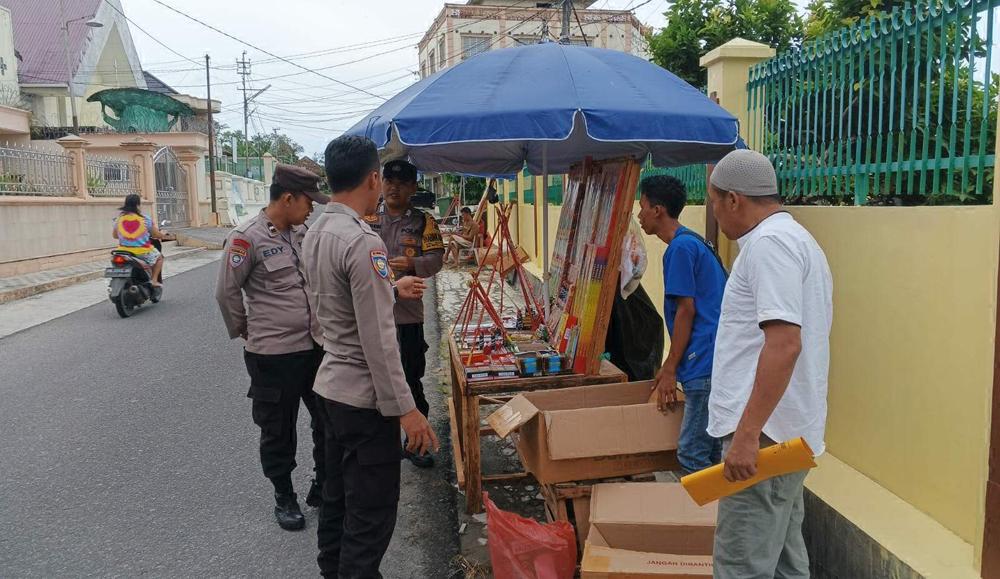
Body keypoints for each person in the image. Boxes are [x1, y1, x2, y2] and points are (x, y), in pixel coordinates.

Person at [302, 135, 439, 578]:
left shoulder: (316, 231)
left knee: (337, 499)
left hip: (330, 387)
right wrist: (408, 410)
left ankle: (333, 571)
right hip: (364, 401)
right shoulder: (363, 241)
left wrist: (388, 289)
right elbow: (380, 341)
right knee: (372, 512)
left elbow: (327, 312)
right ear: (374, 178)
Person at [706, 149, 833, 579]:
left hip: (763, 436)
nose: (716, 214)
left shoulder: (768, 246)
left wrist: (745, 436)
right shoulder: (797, 240)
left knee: (741, 563)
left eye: (713, 202)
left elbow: (784, 346)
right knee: (783, 558)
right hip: (783, 434)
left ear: (734, 200)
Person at [215, 164, 331, 531]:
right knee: (278, 430)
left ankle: (322, 484)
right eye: (308, 202)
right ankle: (284, 494)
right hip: (272, 356)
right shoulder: (245, 238)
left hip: (314, 347)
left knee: (327, 420)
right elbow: (227, 292)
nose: (312, 209)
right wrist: (248, 332)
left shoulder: (302, 232)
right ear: (287, 198)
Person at [637, 175, 728, 474]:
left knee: (691, 454)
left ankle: (697, 519)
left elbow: (686, 310)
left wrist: (671, 366)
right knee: (710, 452)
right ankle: (713, 516)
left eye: (643, 207)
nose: (639, 215)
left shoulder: (679, 249)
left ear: (658, 210)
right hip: (712, 359)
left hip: (701, 361)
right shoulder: (694, 242)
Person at [365, 159, 445, 468]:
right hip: (372, 313)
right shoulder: (367, 216)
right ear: (382, 183)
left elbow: (437, 258)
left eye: (402, 183)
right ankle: (381, 445)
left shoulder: (423, 222)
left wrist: (412, 265)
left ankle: (416, 445)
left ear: (413, 188)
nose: (394, 187)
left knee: (411, 379)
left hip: (408, 315)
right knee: (373, 382)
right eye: (389, 181)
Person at [113, 194, 165, 286]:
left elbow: (115, 236)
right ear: (137, 205)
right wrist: (163, 235)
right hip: (142, 252)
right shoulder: (145, 219)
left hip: (122, 251)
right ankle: (153, 280)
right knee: (159, 258)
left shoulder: (119, 219)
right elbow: (155, 234)